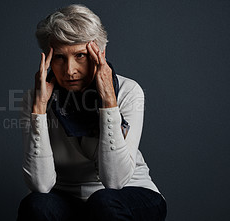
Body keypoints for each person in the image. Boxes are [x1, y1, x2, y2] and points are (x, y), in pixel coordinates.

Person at [17, 4, 167, 221]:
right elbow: (40, 185)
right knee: (35, 204)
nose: (70, 70)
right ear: (47, 60)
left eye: (80, 55)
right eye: (59, 57)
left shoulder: (127, 91)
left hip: (128, 194)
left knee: (104, 202)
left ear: (99, 55)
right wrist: (39, 109)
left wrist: (108, 101)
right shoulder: (34, 99)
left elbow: (114, 181)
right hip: (67, 197)